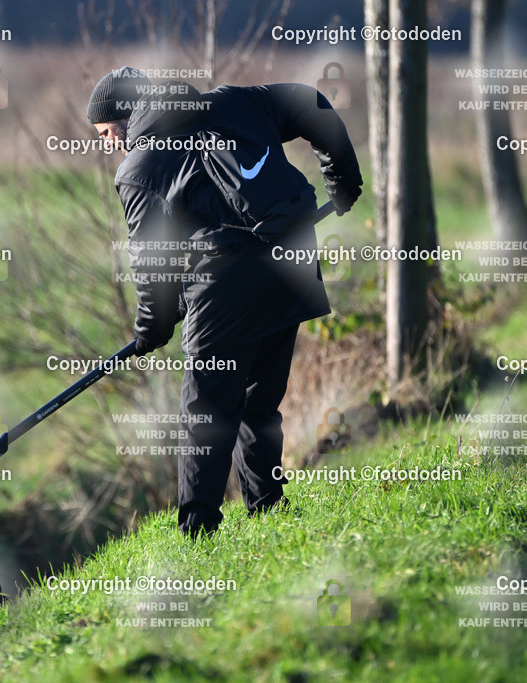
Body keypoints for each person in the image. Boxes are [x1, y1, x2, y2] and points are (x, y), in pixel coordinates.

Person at [87, 67, 363, 538]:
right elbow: (312, 103)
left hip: (224, 292)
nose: (111, 143)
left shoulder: (139, 169)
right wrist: (343, 179)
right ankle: (268, 509)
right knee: (260, 406)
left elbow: (153, 261)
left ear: (126, 116)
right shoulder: (235, 102)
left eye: (109, 132)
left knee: (205, 415)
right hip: (291, 272)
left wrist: (152, 327)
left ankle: (197, 532)